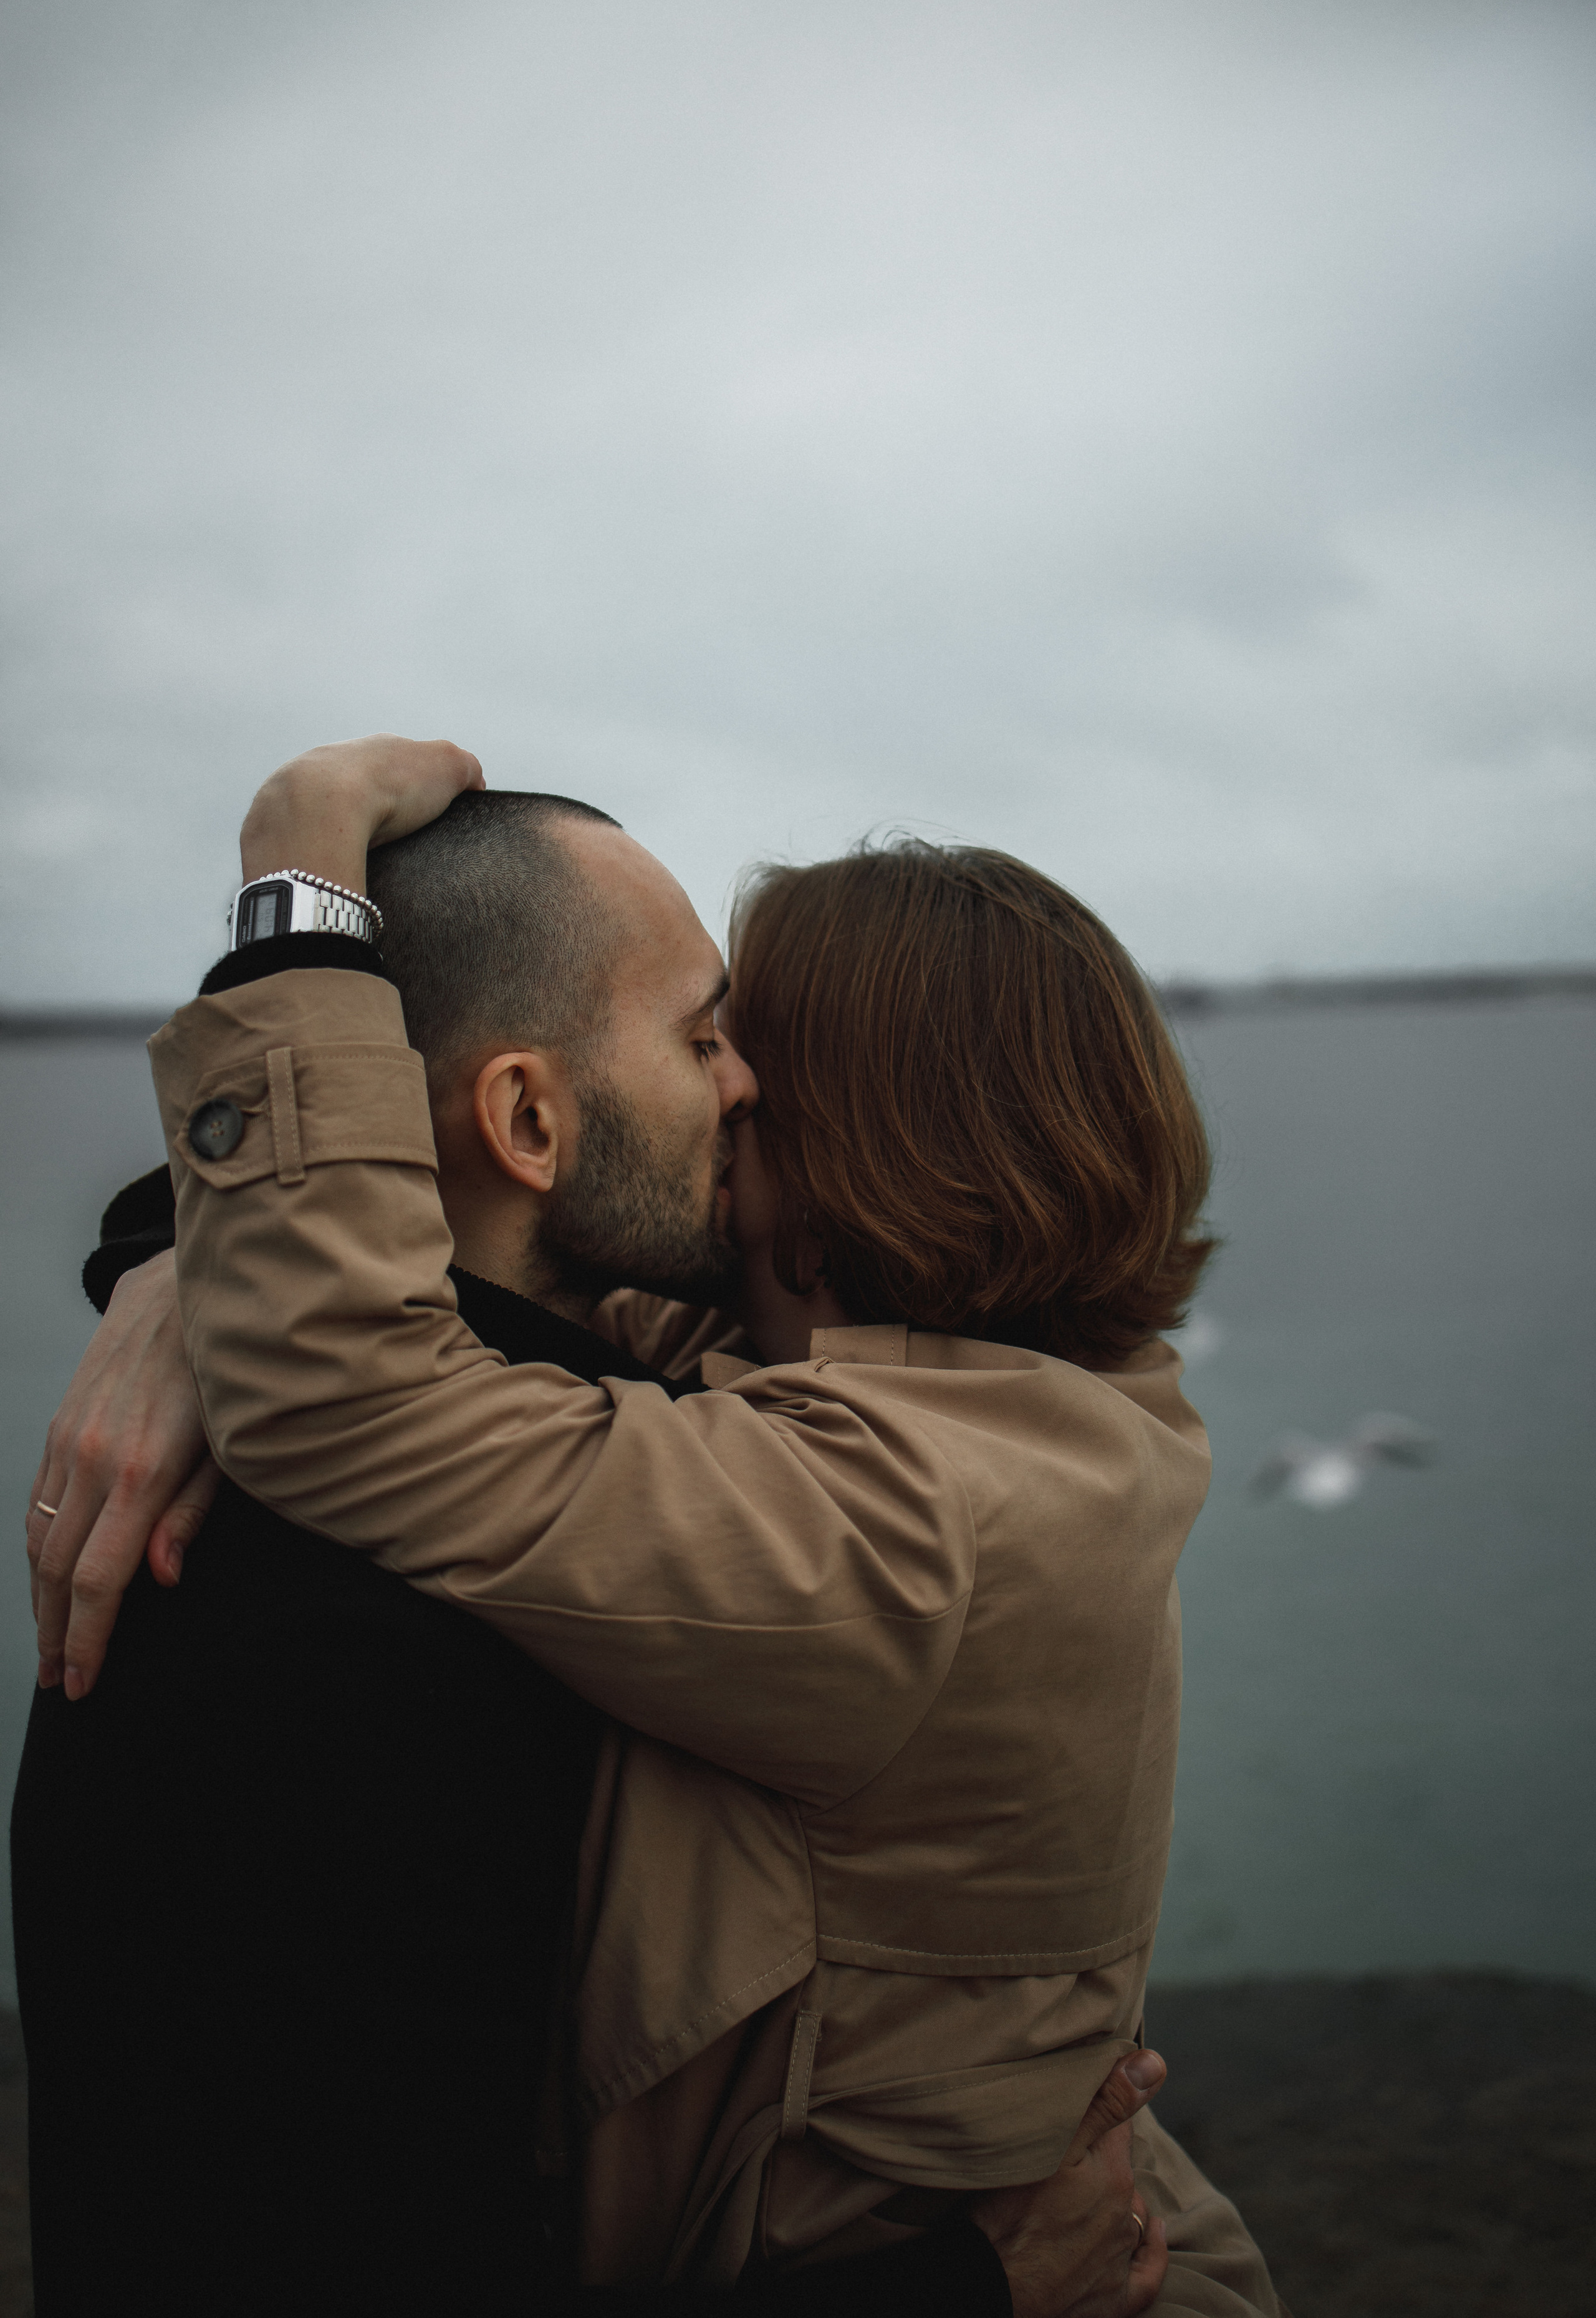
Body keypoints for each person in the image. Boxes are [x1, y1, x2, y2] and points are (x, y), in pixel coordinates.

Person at [29, 736, 1281, 2312]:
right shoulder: (971, 1394)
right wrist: (177, 1272)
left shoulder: (895, 1517)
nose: (729, 1085)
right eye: (705, 1042)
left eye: (739, 1050)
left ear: (862, 1146)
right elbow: (415, 1254)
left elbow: (346, 1364)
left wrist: (299, 875)